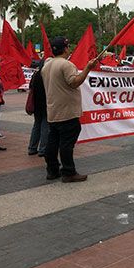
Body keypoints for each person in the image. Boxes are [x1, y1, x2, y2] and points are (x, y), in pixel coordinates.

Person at [41, 37, 98, 182]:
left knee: (52, 142)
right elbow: (74, 82)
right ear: (65, 48)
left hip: (53, 110)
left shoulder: (46, 65)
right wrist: (87, 68)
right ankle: (68, 172)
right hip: (67, 111)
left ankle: (52, 170)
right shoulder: (66, 65)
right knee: (66, 144)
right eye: (68, 47)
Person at [27, 60, 48, 157]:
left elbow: (31, 87)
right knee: (45, 126)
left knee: (36, 125)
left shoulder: (35, 75)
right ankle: (43, 149)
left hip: (36, 104)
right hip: (45, 104)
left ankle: (32, 148)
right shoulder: (47, 76)